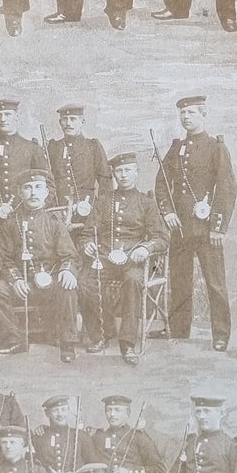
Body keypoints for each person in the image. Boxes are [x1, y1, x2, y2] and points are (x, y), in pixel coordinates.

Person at [155, 95, 237, 351]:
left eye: (191, 112)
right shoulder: (176, 148)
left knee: (215, 283)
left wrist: (218, 227)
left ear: (203, 114)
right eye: (182, 113)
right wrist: (167, 211)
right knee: (179, 279)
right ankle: (179, 329)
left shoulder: (215, 147)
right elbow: (161, 183)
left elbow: (226, 188)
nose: (186, 117)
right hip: (180, 227)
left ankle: (221, 334)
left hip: (206, 228)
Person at [79, 152, 168, 364]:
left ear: (136, 173)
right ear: (113, 174)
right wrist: (87, 243)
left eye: (128, 170)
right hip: (106, 259)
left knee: (133, 281)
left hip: (134, 261)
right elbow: (87, 232)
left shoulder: (146, 202)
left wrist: (146, 248)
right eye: (119, 171)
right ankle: (102, 333)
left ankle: (127, 343)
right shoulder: (103, 201)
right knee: (84, 282)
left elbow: (161, 238)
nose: (123, 175)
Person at [0, 172, 80, 360]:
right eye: (27, 188)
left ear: (46, 193)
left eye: (38, 188)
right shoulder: (11, 223)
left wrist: (67, 270)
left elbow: (69, 254)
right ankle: (17, 339)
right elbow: (3, 258)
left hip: (50, 280)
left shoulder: (54, 221)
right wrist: (16, 279)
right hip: (23, 283)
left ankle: (67, 343)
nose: (33, 193)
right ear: (20, 193)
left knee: (67, 286)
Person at [0, 98, 50, 221]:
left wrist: (35, 210)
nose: (3, 119)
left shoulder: (31, 148)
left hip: (24, 214)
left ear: (17, 116)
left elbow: (48, 184)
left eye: (7, 114)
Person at [47, 103, 112, 234]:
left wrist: (99, 210)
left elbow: (106, 182)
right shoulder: (53, 147)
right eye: (65, 119)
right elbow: (47, 181)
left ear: (82, 121)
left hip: (86, 211)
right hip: (59, 211)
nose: (68, 123)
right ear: (60, 123)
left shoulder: (92, 146)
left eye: (73, 119)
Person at [34, 395, 88, 473]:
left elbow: (93, 465)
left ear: (68, 410)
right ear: (47, 414)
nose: (60, 414)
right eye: (55, 410)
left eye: (63, 409)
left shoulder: (81, 436)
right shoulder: (39, 437)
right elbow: (34, 465)